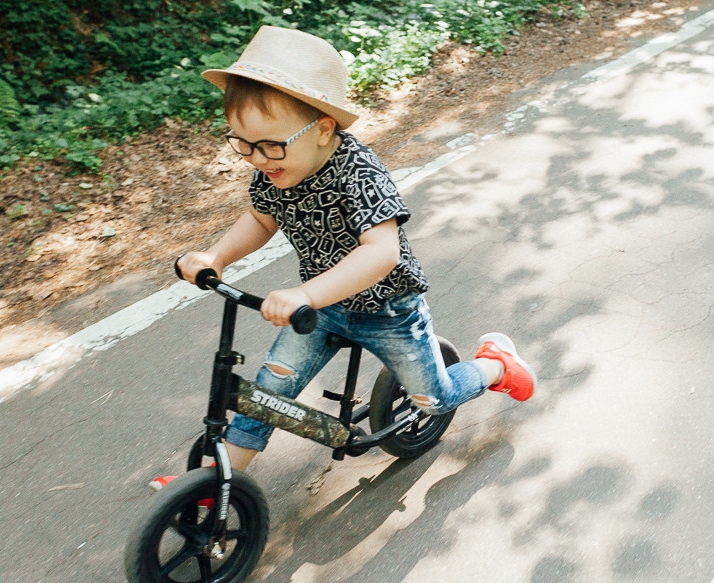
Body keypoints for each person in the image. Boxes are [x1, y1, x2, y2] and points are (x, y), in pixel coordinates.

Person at [176, 25, 535, 474]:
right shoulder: (274, 171)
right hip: (323, 309)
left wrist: (307, 294)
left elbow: (381, 252)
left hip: (387, 310)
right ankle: (217, 484)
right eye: (242, 144)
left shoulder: (359, 173)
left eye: (269, 145)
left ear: (323, 129)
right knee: (268, 391)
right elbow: (260, 218)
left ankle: (494, 368)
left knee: (434, 398)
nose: (256, 159)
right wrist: (217, 257)